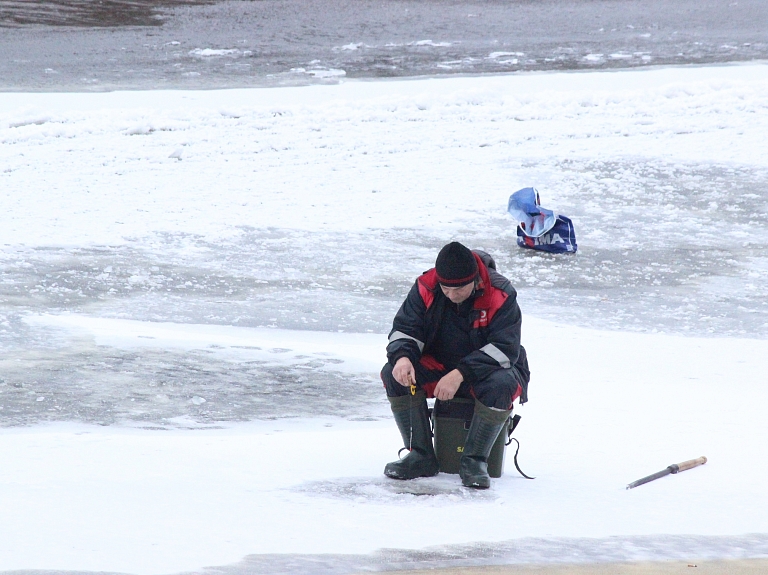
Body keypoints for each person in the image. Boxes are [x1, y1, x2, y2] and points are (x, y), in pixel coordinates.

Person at [381, 241, 530, 489]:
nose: (451, 295)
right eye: (446, 289)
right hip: (439, 364)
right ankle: (420, 454)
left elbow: (506, 349)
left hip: (489, 370)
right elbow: (405, 329)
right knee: (393, 373)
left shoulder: (500, 293)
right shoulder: (426, 286)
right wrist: (402, 357)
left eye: (459, 289)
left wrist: (461, 373)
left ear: (474, 281)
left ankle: (475, 461)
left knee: (502, 385)